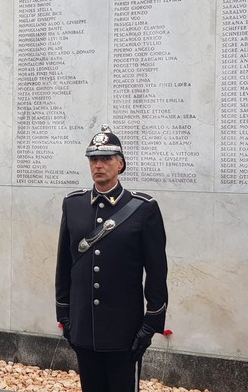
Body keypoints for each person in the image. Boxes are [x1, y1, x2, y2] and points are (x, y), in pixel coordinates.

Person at [54, 124, 168, 392]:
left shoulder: (143, 209)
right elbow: (64, 264)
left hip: (124, 330)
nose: (99, 165)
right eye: (94, 159)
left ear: (120, 164)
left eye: (106, 158)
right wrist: (65, 316)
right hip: (83, 326)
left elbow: (156, 271)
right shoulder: (73, 205)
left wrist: (151, 323)